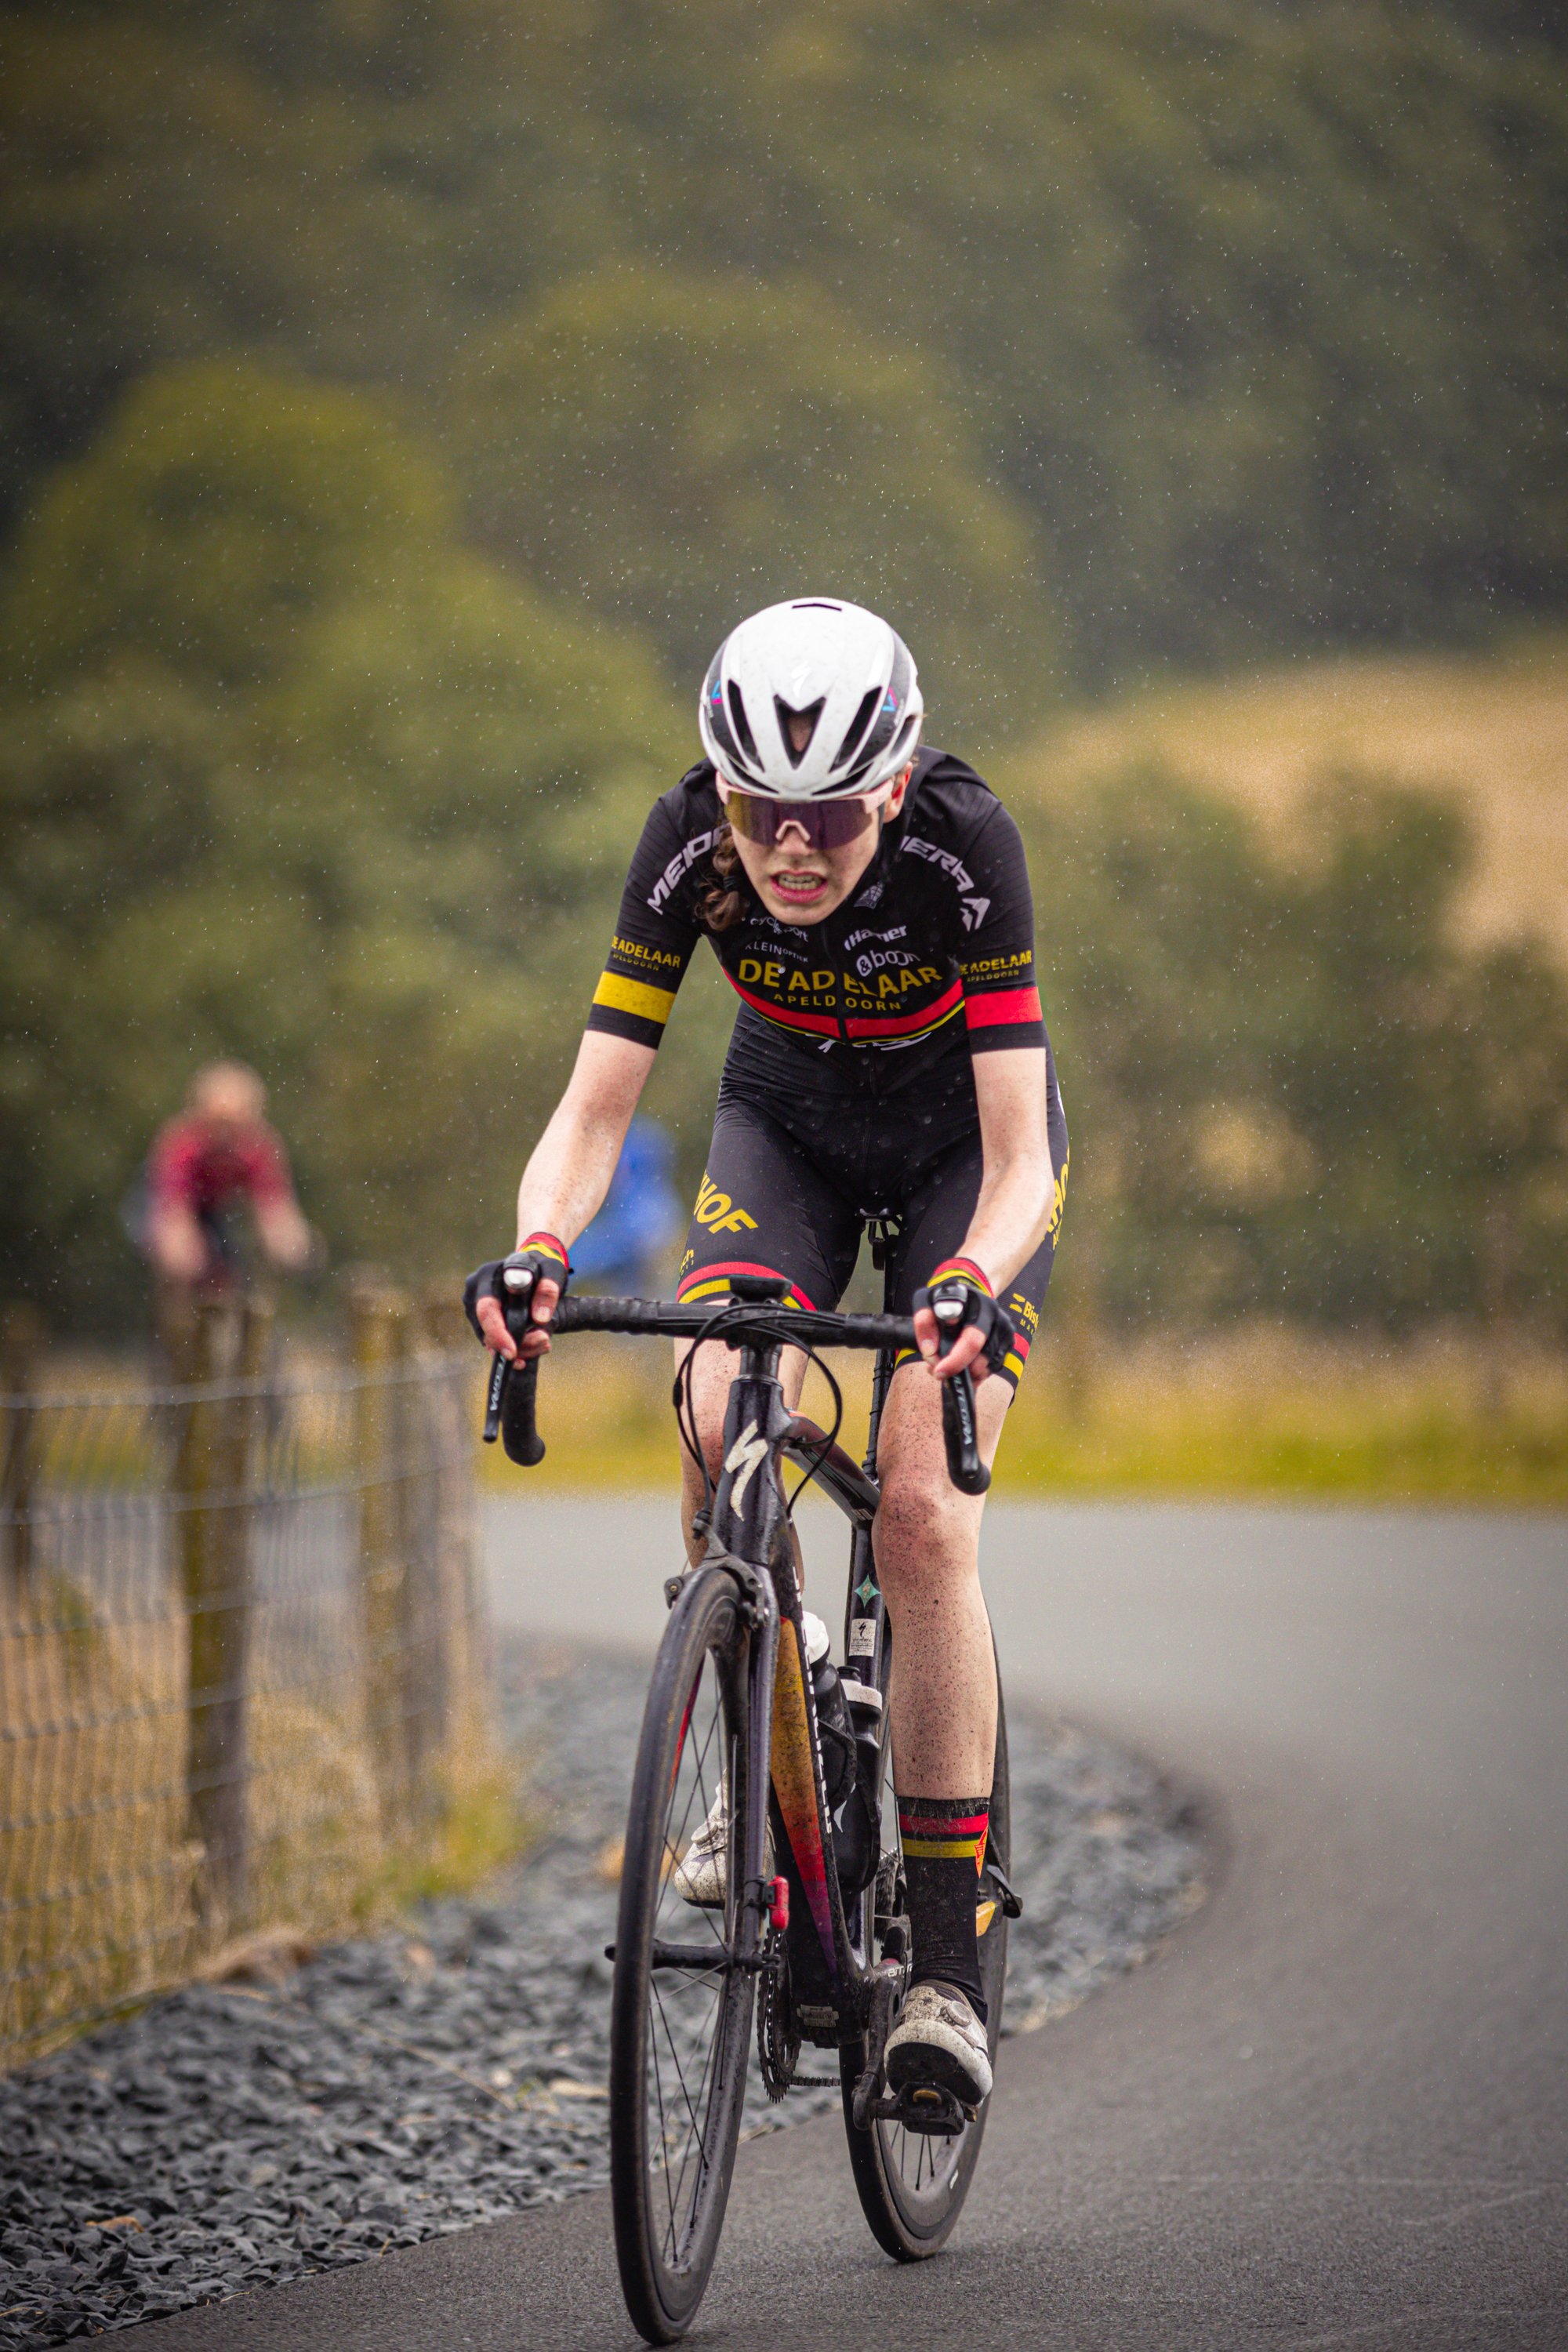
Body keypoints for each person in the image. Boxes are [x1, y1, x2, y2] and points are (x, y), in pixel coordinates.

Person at [467, 598, 1067, 2108]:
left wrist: (978, 1284)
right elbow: (596, 1110)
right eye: (757, 814)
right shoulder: (684, 845)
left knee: (924, 1508)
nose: (788, 850)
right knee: (721, 1397)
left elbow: (1019, 1154)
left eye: (824, 822)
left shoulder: (962, 844)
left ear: (888, 791)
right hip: (784, 1126)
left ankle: (941, 1971)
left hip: (957, 1164)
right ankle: (760, 1751)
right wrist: (540, 1247)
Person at [138, 1062, 313, 1370]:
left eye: (235, 1124)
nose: (225, 1135)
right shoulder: (180, 1143)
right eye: (216, 1123)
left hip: (217, 1209)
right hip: (163, 1204)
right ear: (198, 1114)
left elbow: (276, 1208)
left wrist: (293, 1246)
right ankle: (175, 1351)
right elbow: (173, 1213)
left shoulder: (260, 1145)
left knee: (231, 1270)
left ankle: (232, 1350)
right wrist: (182, 1256)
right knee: (180, 1270)